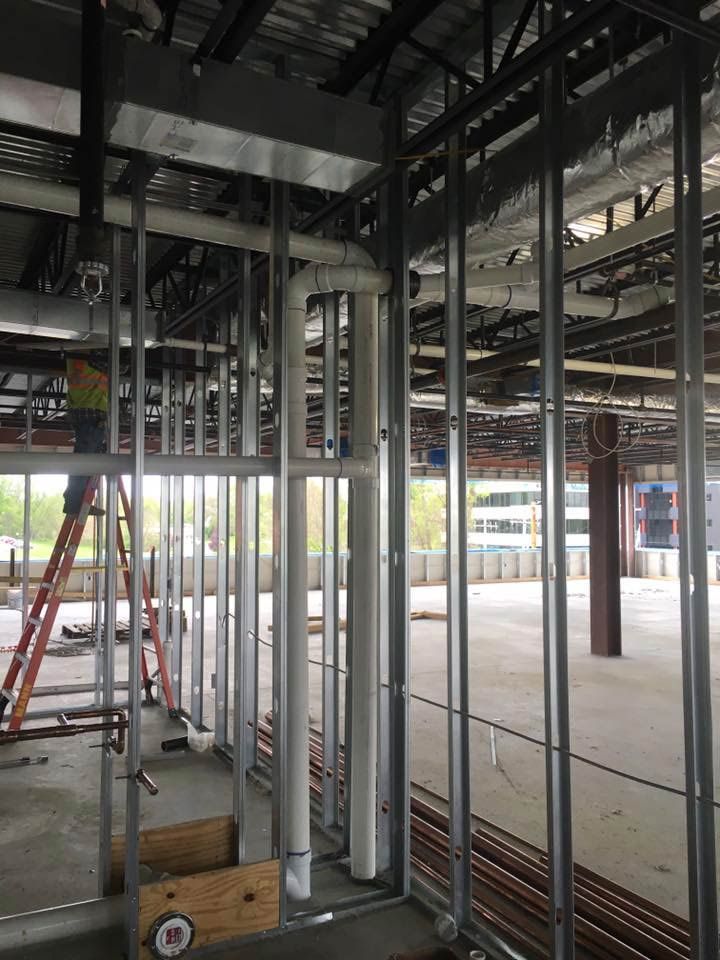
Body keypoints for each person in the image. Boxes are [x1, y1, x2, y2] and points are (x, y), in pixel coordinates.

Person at [63, 351, 108, 517]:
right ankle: (75, 502)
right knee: (84, 461)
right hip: (90, 410)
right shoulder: (89, 351)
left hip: (86, 410)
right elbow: (119, 367)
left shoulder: (79, 351)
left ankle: (75, 500)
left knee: (84, 460)